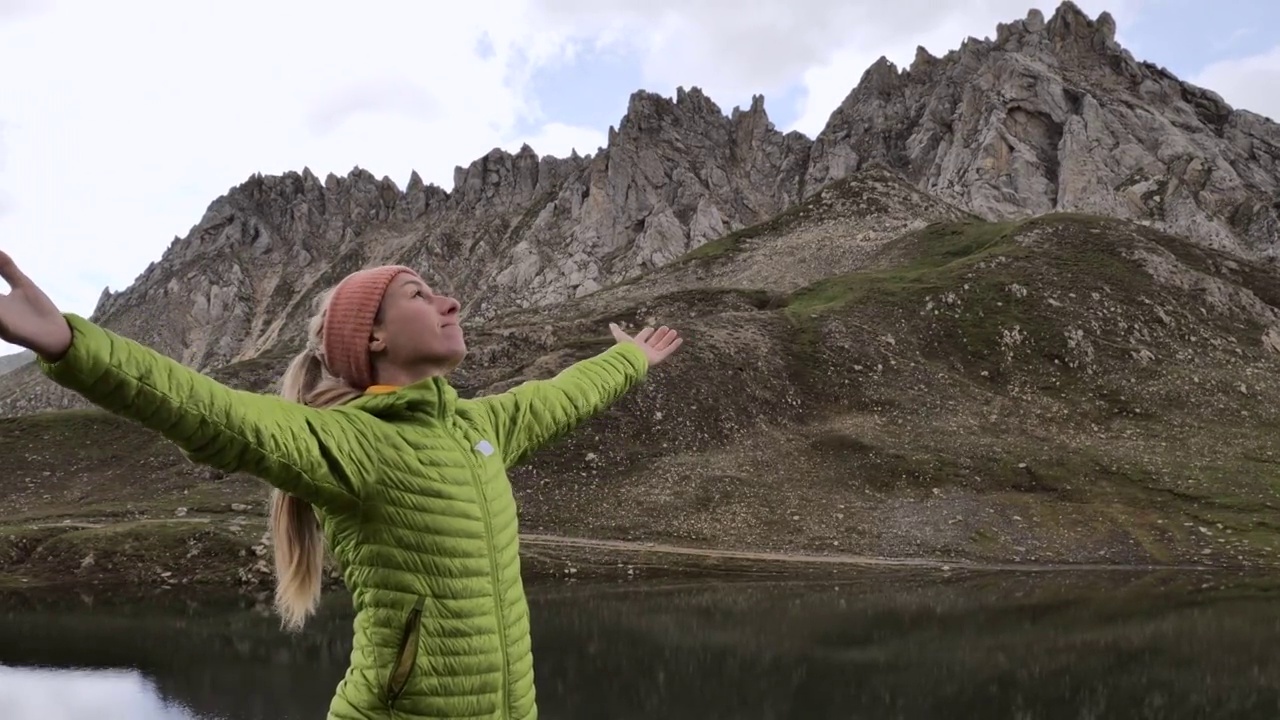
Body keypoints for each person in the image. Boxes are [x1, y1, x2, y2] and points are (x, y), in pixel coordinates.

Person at [0, 251, 682, 720]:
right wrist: (71, 347)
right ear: (375, 337)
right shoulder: (354, 442)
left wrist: (628, 359)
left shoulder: (480, 428)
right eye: (420, 294)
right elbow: (213, 412)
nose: (451, 301)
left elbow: (562, 396)